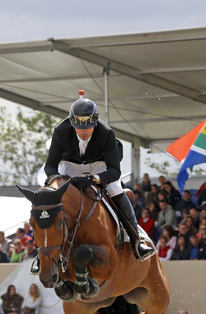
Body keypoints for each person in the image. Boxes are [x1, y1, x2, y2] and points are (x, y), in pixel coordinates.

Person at [44, 95, 154, 260]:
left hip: (99, 165)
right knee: (49, 193)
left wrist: (94, 179)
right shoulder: (60, 131)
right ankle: (43, 250)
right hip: (70, 165)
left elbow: (115, 171)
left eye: (88, 127)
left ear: (95, 122)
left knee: (115, 188)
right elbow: (50, 165)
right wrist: (57, 180)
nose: (83, 132)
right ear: (72, 123)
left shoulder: (107, 133)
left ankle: (136, 239)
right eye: (78, 128)